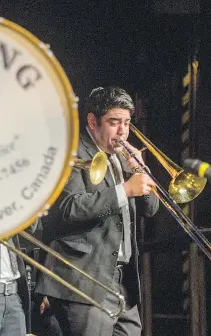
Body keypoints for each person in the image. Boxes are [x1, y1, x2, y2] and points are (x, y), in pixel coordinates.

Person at [35, 86, 159, 336]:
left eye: (126, 122)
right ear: (93, 121)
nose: (122, 131)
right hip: (85, 281)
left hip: (122, 281)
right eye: (114, 122)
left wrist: (140, 171)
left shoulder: (122, 157)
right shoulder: (72, 153)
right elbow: (68, 208)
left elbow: (152, 208)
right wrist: (124, 190)